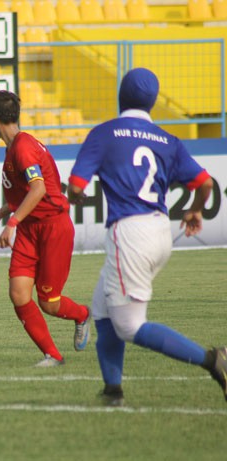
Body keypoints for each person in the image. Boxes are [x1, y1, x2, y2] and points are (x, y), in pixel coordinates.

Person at [67, 67, 226, 405]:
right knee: (102, 310)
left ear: (120, 95)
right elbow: (206, 183)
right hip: (158, 230)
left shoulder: (105, 133)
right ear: (153, 102)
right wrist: (196, 209)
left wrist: (76, 196)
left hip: (130, 232)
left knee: (129, 325)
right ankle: (113, 391)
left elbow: (77, 187)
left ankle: (213, 360)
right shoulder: (168, 140)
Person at [0, 91, 90, 367]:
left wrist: (11, 223)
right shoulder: (16, 146)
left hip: (52, 228)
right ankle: (52, 354)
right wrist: (2, 213)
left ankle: (83, 315)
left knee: (49, 302)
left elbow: (38, 189)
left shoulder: (23, 148)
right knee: (18, 293)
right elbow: (27, 191)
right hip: (30, 229)